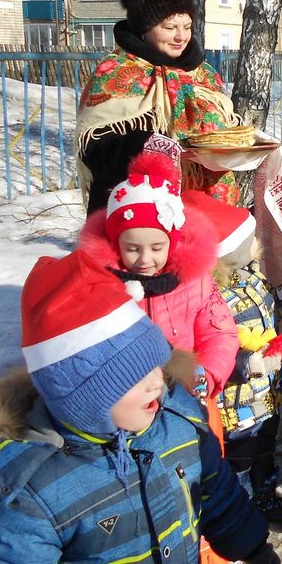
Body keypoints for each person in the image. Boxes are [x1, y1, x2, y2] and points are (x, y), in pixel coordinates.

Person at [0, 249, 279, 564]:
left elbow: (218, 496)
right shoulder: (34, 494)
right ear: (85, 396)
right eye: (134, 376)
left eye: (156, 366)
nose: (157, 383)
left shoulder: (179, 421)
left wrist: (254, 550)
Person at [76, 0, 244, 212]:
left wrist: (240, 142)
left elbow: (225, 129)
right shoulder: (116, 71)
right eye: (170, 27)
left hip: (205, 208)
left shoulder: (203, 73)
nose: (181, 36)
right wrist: (147, 146)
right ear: (144, 29)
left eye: (187, 26)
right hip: (140, 207)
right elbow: (93, 149)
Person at [77, 150, 239, 400]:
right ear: (115, 244)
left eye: (156, 248)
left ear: (172, 243)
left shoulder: (193, 281)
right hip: (127, 400)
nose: (144, 259)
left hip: (184, 395)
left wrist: (206, 373)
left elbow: (219, 333)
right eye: (132, 249)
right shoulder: (100, 285)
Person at [185, 189, 282, 523]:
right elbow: (202, 352)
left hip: (267, 395)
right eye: (250, 241)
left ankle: (264, 492)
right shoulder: (207, 298)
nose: (257, 243)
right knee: (238, 460)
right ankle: (240, 510)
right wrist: (245, 365)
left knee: (265, 446)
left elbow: (269, 310)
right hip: (236, 406)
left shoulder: (251, 276)